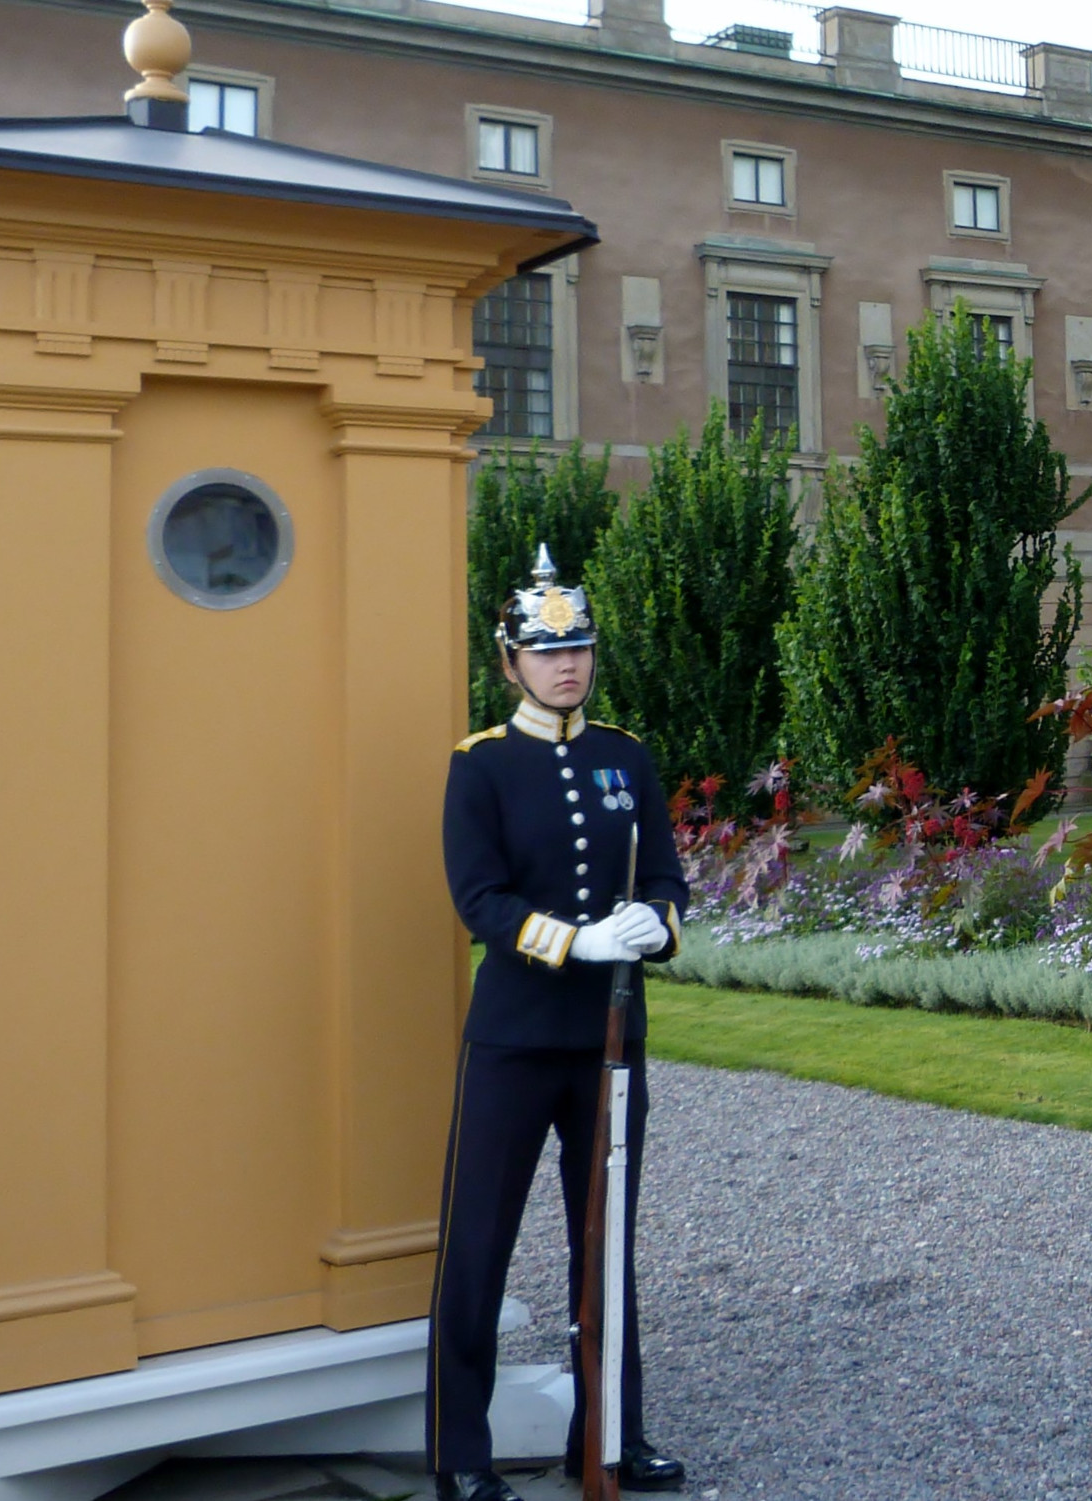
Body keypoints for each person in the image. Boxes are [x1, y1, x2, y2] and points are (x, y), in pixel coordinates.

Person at [428, 544, 690, 1500]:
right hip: (513, 1037)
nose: (567, 663)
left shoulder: (627, 756)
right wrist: (570, 941)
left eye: (578, 645)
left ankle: (613, 1432)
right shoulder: (481, 766)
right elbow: (478, 898)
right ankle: (461, 1454)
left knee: (605, 1243)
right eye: (546, 651)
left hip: (609, 1041)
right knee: (479, 1246)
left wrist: (649, 928)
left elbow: (665, 875)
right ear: (510, 662)